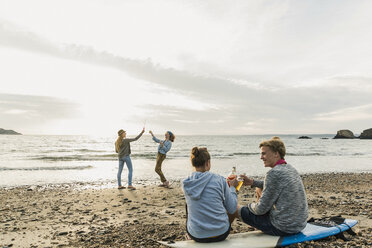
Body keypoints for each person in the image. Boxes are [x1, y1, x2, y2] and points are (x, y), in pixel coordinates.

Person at [237, 136, 308, 236]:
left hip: (282, 228)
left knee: (234, 209)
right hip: (299, 225)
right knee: (258, 188)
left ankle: (221, 235)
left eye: (264, 153)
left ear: (276, 154)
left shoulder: (273, 173)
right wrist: (252, 182)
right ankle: (258, 223)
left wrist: (248, 207)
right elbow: (273, 185)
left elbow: (260, 209)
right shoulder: (290, 168)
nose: (261, 157)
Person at [182, 147, 239, 243]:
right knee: (226, 202)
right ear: (208, 163)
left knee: (188, 204)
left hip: (197, 235)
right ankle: (217, 226)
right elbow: (232, 209)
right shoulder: (219, 180)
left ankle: (192, 232)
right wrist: (233, 188)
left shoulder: (186, 183)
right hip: (221, 234)